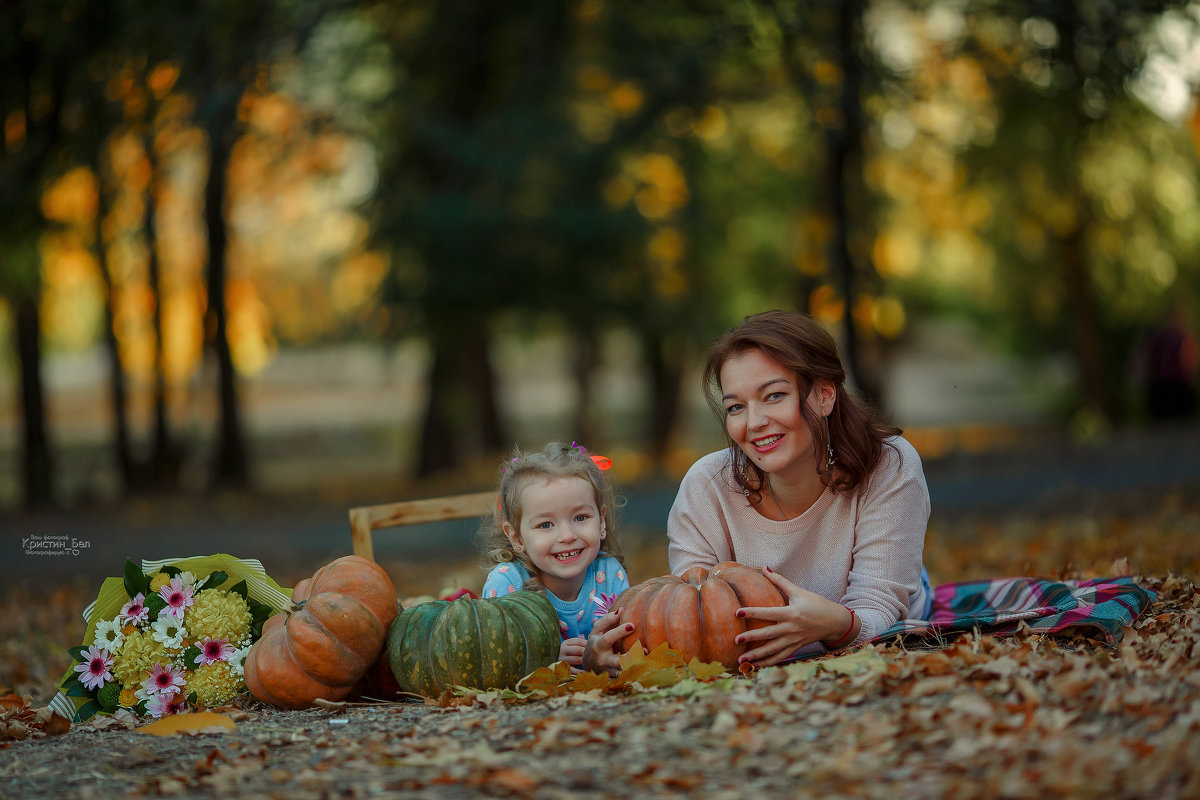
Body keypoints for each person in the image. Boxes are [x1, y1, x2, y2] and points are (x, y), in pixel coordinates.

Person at [586, 310, 931, 673]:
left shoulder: (888, 463)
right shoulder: (707, 486)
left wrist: (838, 625)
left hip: (880, 602)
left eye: (774, 395)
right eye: (736, 407)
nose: (753, 423)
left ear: (825, 395)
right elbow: (692, 620)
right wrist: (620, 650)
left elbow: (877, 612)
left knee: (905, 586)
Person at [480, 441, 633, 670]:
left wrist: (601, 658)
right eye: (546, 524)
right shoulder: (507, 584)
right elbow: (491, 659)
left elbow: (627, 648)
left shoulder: (610, 575)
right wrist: (544, 658)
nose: (567, 535)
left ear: (601, 520)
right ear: (517, 538)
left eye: (580, 518)